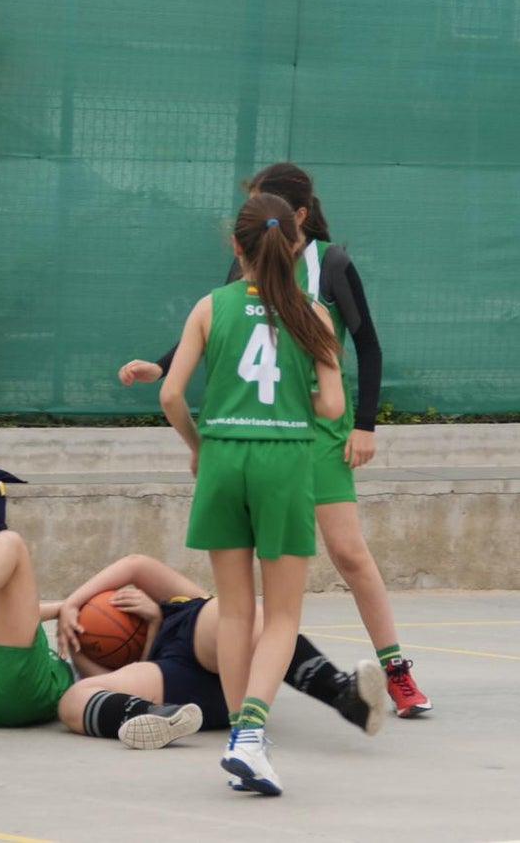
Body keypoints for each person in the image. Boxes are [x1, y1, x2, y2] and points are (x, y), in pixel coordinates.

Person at [119, 162, 431, 720]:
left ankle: (396, 670)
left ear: (299, 216)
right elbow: (224, 324)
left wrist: (364, 424)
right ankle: (254, 715)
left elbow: (369, 346)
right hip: (270, 429)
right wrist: (160, 364)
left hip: (316, 432)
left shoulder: (330, 264)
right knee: (266, 595)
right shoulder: (251, 260)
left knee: (349, 554)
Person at [0, 505, 382, 748]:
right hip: (172, 680)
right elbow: (88, 666)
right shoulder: (100, 654)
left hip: (204, 643)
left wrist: (146, 612)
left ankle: (343, 693)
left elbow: (138, 562)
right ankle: (154, 717)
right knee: (73, 701)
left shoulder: (183, 602)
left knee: (236, 619)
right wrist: (76, 626)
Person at [159, 192, 345, 795]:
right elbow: (335, 406)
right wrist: (300, 401)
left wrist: (198, 445)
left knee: (234, 608)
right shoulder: (313, 315)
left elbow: (168, 395)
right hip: (284, 457)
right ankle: (251, 735)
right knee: (283, 612)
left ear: (235, 246)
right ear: (294, 246)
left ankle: (244, 734)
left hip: (223, 454)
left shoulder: (210, 307)